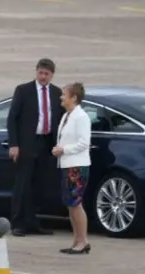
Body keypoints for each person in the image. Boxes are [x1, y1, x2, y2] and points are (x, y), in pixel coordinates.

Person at [6, 58, 65, 237]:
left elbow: (61, 118)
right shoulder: (24, 90)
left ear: (52, 75)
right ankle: (17, 222)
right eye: (40, 73)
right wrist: (14, 144)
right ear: (36, 72)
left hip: (46, 142)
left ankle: (32, 221)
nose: (43, 77)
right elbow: (12, 118)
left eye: (46, 74)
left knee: (39, 185)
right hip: (27, 143)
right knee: (23, 184)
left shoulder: (56, 93)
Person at [52, 82, 92, 254]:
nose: (61, 97)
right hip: (67, 164)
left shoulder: (81, 117)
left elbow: (84, 143)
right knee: (70, 204)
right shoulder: (67, 115)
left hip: (77, 165)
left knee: (76, 203)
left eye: (64, 95)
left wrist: (64, 150)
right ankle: (76, 240)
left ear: (73, 97)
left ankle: (83, 241)